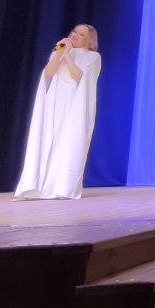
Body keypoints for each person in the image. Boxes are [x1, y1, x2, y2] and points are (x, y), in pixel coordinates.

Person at [14, 24, 102, 200]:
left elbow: (80, 77)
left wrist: (67, 55)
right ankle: (39, 187)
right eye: (74, 32)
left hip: (74, 105)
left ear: (89, 40)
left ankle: (62, 187)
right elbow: (48, 73)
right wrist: (59, 53)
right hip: (55, 103)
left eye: (81, 34)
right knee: (48, 139)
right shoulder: (59, 51)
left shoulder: (93, 57)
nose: (75, 35)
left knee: (68, 143)